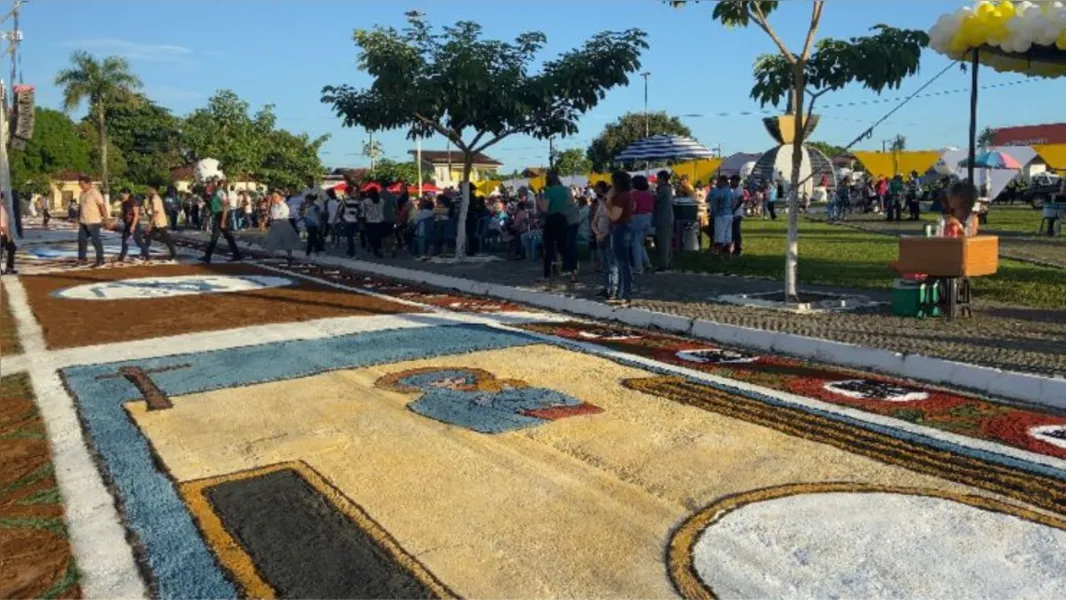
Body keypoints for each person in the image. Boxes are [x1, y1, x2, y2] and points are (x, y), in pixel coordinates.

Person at [539, 171, 574, 283]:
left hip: (551, 220)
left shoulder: (548, 192)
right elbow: (571, 203)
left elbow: (544, 209)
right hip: (563, 219)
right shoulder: (566, 190)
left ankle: (547, 275)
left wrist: (539, 201)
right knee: (564, 248)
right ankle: (572, 271)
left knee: (548, 248)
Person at [607, 171, 634, 305]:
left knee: (622, 263)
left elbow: (614, 216)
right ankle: (623, 291)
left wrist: (607, 203)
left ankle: (626, 293)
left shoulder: (621, 197)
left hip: (620, 229)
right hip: (624, 227)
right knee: (622, 262)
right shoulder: (627, 195)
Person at [200, 180, 243, 263]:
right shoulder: (211, 195)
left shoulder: (219, 192)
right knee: (222, 236)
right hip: (218, 215)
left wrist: (223, 221)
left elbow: (226, 206)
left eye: (208, 187)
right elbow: (213, 208)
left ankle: (208, 256)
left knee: (221, 236)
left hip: (223, 214)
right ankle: (208, 256)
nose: (206, 189)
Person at [591, 181, 616, 298]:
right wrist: (597, 233)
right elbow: (593, 222)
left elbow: (613, 222)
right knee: (605, 265)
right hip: (600, 236)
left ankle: (613, 289)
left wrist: (604, 234)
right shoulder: (600, 206)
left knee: (611, 265)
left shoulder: (612, 207)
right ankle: (606, 288)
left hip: (608, 236)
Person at [76, 174, 107, 267]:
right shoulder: (82, 194)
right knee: (81, 240)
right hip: (83, 222)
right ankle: (82, 258)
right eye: (79, 184)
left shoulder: (95, 193)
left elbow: (102, 206)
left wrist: (106, 219)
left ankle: (100, 259)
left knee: (95, 241)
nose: (80, 186)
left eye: (82, 184)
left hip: (94, 222)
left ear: (89, 183)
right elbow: (81, 207)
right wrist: (77, 218)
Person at [262, 190, 302, 263]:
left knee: (286, 240)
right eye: (273, 197)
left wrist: (274, 218)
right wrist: (270, 218)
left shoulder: (284, 205)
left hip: (283, 223)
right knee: (272, 239)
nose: (274, 198)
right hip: (275, 224)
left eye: (275, 197)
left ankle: (289, 254)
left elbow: (284, 215)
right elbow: (272, 214)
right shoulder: (273, 206)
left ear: (280, 197)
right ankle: (271, 252)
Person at [144, 184, 178, 261]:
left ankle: (173, 254)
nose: (149, 191)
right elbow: (150, 212)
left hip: (159, 222)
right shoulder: (154, 198)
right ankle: (144, 253)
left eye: (150, 189)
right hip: (157, 222)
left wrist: (150, 224)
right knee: (148, 236)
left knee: (165, 238)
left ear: (154, 190)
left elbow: (155, 212)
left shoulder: (155, 199)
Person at [630, 175, 654, 274]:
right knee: (640, 242)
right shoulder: (649, 194)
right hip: (648, 217)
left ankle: (638, 267)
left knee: (636, 243)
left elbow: (633, 207)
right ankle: (647, 263)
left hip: (637, 217)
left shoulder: (633, 194)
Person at [116, 189, 148, 263]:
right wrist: (115, 221)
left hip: (134, 224)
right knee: (125, 241)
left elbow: (136, 215)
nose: (122, 195)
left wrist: (133, 226)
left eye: (123, 194)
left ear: (128, 194)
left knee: (138, 241)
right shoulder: (124, 202)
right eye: (122, 194)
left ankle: (147, 254)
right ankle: (121, 257)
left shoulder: (134, 202)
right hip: (127, 224)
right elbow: (122, 213)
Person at [654, 170, 674, 271]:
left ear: (662, 178)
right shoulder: (667, 188)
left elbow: (656, 200)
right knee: (666, 242)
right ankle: (667, 262)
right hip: (666, 218)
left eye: (658, 178)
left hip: (664, 218)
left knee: (664, 242)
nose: (656, 180)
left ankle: (664, 264)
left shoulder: (664, 189)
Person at [709, 176, 734, 256]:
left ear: (723, 181)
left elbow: (716, 201)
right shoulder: (730, 191)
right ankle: (729, 254)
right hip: (729, 214)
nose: (717, 183)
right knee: (728, 235)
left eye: (718, 181)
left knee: (720, 235)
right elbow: (734, 202)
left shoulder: (721, 191)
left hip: (721, 215)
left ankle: (720, 254)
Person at [362, 188, 385, 258]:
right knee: (378, 236)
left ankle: (374, 249)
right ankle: (379, 248)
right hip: (380, 220)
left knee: (370, 236)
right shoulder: (382, 200)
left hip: (370, 221)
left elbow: (364, 211)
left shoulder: (366, 201)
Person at [339, 188, 362, 258]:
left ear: (346, 192)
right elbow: (359, 211)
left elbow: (341, 212)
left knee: (349, 238)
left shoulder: (345, 200)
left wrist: (343, 219)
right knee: (352, 237)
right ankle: (350, 251)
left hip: (347, 220)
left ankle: (352, 253)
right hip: (354, 221)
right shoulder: (357, 201)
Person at [730, 175, 746, 257]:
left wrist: (734, 209)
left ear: (736, 181)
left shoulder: (739, 189)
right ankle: (733, 248)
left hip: (737, 214)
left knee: (736, 232)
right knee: (733, 232)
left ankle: (738, 249)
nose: (731, 182)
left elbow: (741, 199)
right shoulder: (734, 190)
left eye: (732, 181)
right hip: (734, 214)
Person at [1, 200, 16, 275]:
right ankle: (9, 268)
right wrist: (8, 236)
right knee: (12, 248)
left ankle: (8, 268)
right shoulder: (1, 209)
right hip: (2, 234)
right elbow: (2, 225)